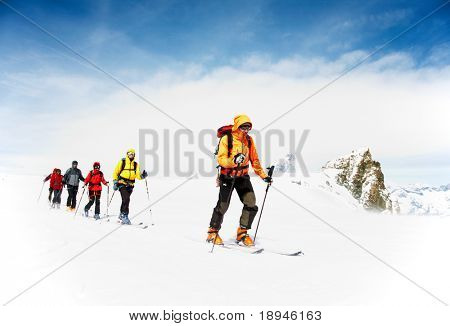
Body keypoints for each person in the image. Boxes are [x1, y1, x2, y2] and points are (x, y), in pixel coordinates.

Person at [207, 114, 272, 246]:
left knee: (251, 202)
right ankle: (212, 232)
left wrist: (264, 176)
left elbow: (254, 159)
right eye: (244, 127)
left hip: (242, 176)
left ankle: (242, 233)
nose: (246, 130)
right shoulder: (227, 138)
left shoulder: (249, 140)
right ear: (237, 126)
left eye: (248, 128)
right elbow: (221, 159)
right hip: (228, 176)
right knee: (223, 206)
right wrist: (233, 160)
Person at [112, 149, 148, 224]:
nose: (131, 155)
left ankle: (121, 214)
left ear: (134, 155)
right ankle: (125, 215)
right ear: (127, 154)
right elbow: (115, 172)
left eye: (132, 154)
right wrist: (115, 182)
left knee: (125, 200)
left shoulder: (136, 164)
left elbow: (138, 176)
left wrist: (143, 176)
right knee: (126, 199)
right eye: (129, 153)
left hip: (130, 185)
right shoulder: (122, 162)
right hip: (122, 183)